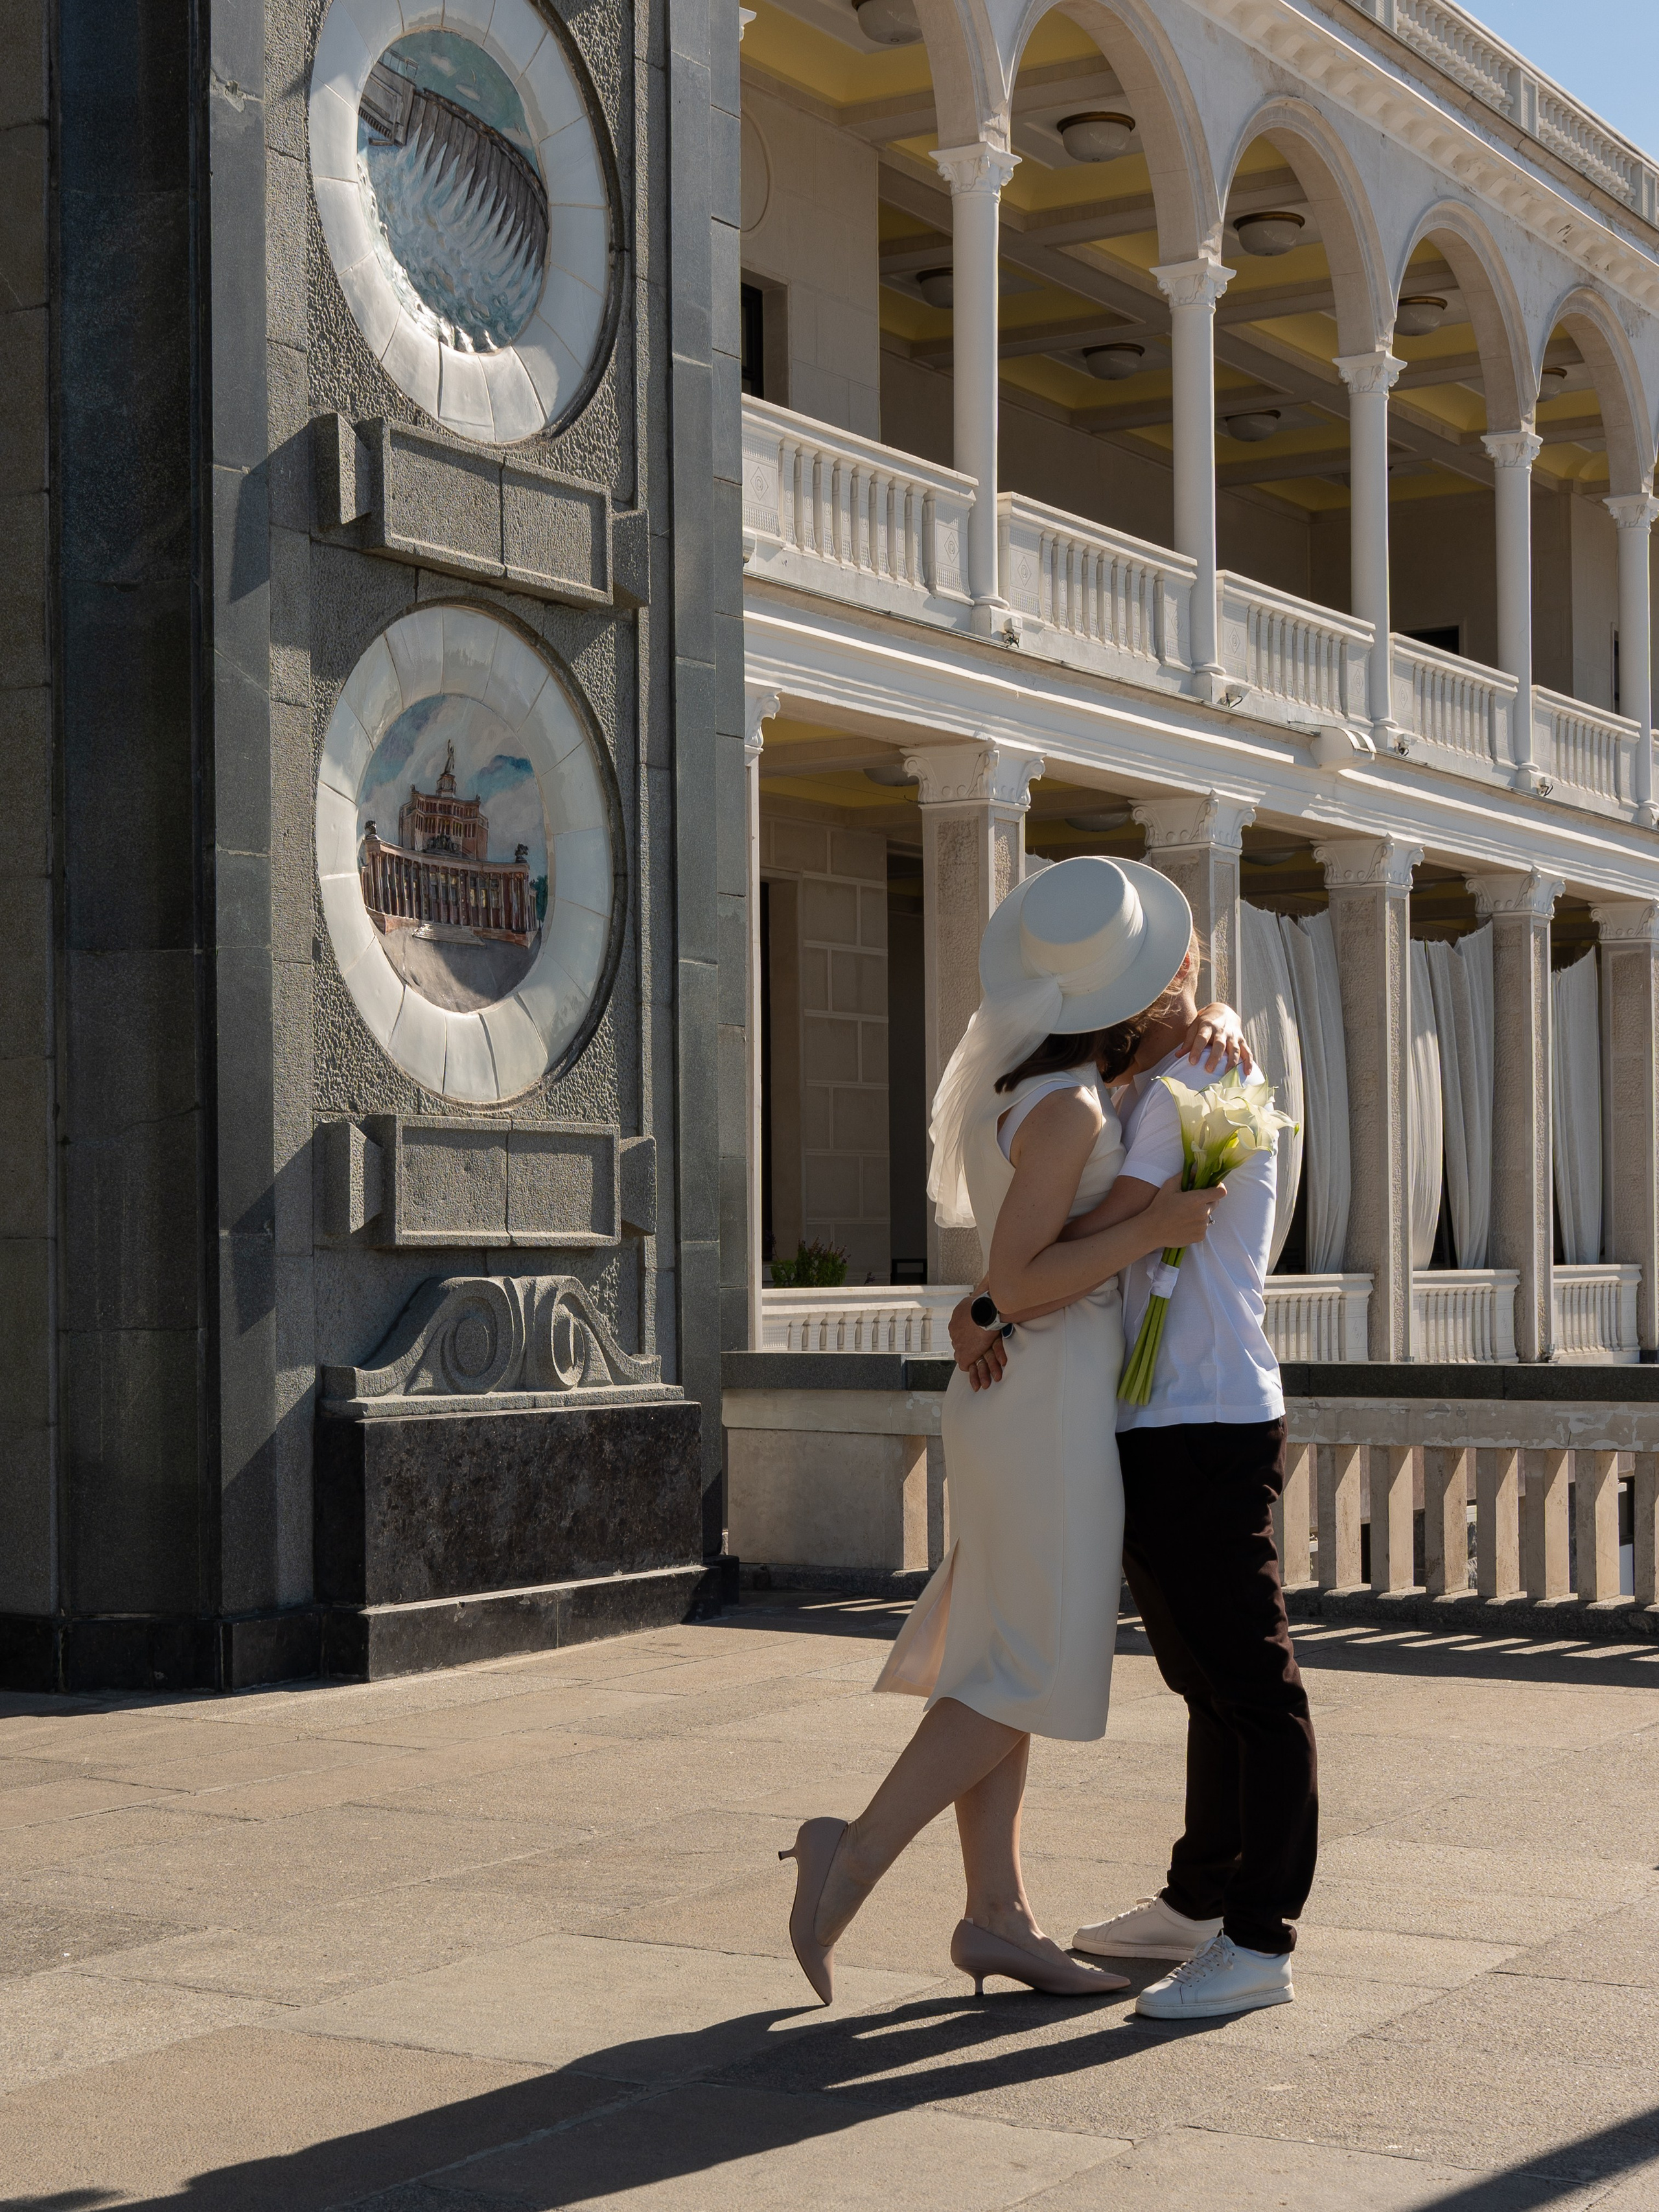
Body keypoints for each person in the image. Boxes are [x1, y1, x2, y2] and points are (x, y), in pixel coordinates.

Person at [778, 855, 1227, 2007]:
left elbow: (1000, 1283)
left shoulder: (1025, 1094)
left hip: (1013, 1396)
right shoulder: (1074, 1107)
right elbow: (1020, 1277)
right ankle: (854, 1856)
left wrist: (1204, 1032)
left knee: (1002, 1654)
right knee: (1024, 1661)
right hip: (1049, 1402)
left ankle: (998, 1913)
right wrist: (1160, 1225)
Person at [949, 931, 1318, 2021]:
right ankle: (1199, 1900)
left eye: (1141, 975)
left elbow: (1110, 1224)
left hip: (1205, 1414)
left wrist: (991, 1300)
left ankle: (1260, 1939)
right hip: (1160, 1420)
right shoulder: (1162, 1073)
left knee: (1254, 1685)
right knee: (1206, 1681)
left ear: (1174, 978)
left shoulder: (1199, 1070)